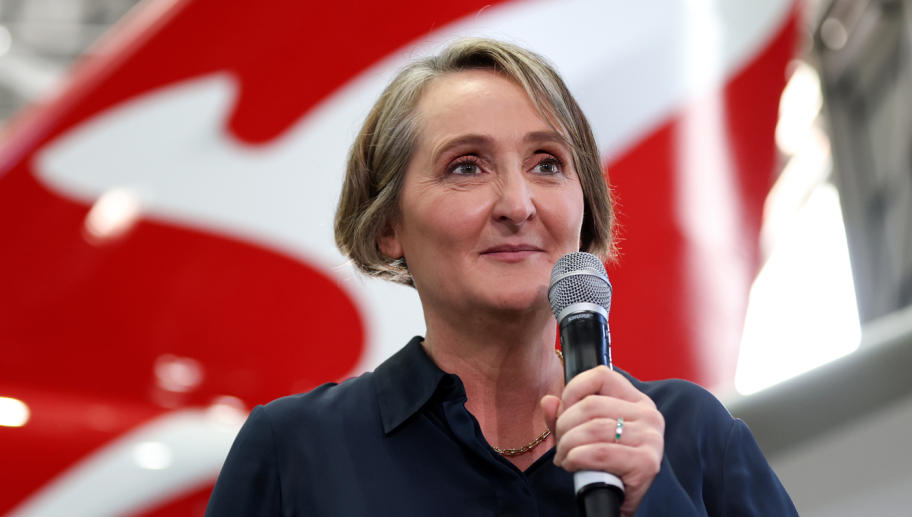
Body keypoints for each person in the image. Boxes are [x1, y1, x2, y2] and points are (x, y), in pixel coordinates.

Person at [205, 38, 797, 516]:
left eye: (547, 164)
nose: (518, 203)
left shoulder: (693, 436)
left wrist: (655, 501)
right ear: (389, 227)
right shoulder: (294, 452)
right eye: (465, 166)